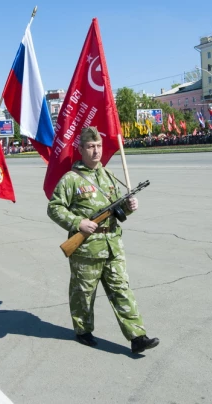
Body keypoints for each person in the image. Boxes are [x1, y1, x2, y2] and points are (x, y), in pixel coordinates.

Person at [47, 126, 159, 354]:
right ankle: (83, 330)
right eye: (90, 146)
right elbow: (54, 208)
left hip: (112, 245)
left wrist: (129, 207)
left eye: (98, 146)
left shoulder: (108, 175)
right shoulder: (71, 179)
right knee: (83, 293)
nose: (96, 151)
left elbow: (118, 210)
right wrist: (77, 223)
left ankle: (138, 336)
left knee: (121, 289)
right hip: (87, 248)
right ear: (80, 149)